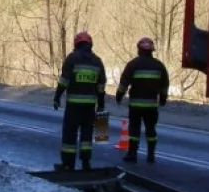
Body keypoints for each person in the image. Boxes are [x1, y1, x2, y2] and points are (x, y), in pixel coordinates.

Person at [53, 31, 107, 171]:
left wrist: (57, 97)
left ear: (76, 44)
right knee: (87, 135)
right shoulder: (97, 61)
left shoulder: (72, 58)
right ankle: (86, 163)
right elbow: (101, 86)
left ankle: (68, 164)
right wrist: (101, 105)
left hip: (73, 106)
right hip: (90, 107)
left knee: (70, 134)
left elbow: (64, 81)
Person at [115, 36, 170, 164]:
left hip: (135, 106)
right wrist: (163, 98)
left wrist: (119, 96)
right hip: (151, 106)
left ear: (139, 49)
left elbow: (124, 83)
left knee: (134, 130)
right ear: (152, 50)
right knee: (151, 130)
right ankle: (151, 155)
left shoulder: (133, 64)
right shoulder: (159, 66)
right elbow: (164, 85)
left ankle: (132, 154)